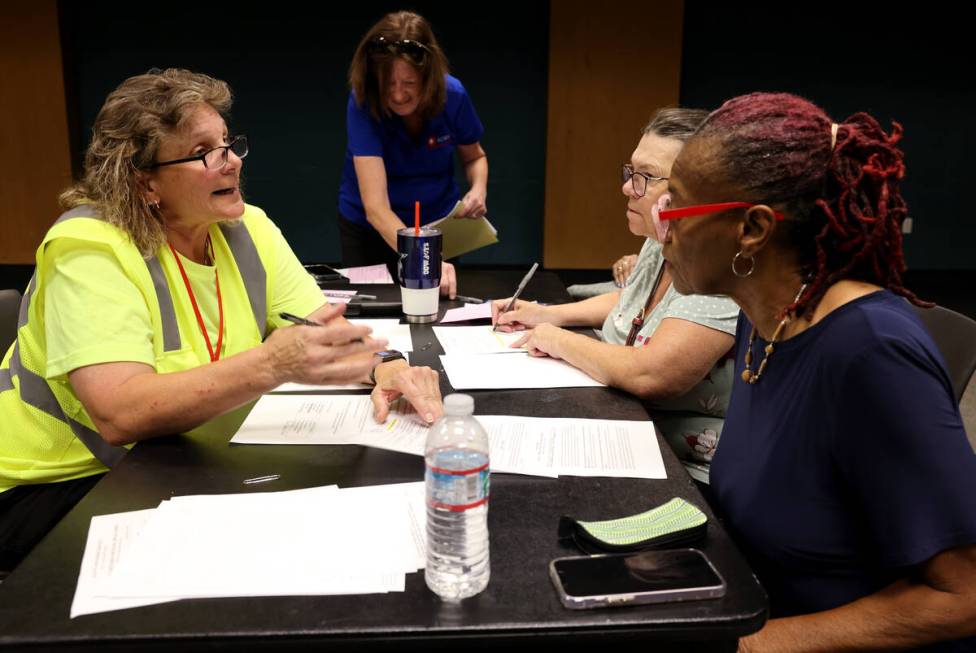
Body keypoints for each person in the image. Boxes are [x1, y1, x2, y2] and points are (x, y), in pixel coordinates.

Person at [0, 68, 443, 574]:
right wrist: (270, 365)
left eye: (229, 144)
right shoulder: (88, 248)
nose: (230, 161)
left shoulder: (245, 226)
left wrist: (384, 367)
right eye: (203, 151)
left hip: (171, 457)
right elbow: (119, 413)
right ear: (146, 182)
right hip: (54, 483)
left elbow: (327, 333)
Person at [659, 92, 976, 650]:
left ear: (751, 230)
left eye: (675, 208)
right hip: (752, 601)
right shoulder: (761, 316)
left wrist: (751, 644)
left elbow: (963, 595)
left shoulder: (870, 351)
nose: (662, 226)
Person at [492, 108, 739, 484]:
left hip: (684, 469)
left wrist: (557, 340)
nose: (628, 187)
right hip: (625, 427)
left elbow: (652, 372)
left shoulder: (717, 266)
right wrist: (551, 315)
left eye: (646, 177)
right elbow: (635, 304)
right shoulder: (660, 241)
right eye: (631, 172)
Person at [338, 10, 489, 298]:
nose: (397, 95)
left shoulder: (453, 95)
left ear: (428, 76)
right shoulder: (362, 102)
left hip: (436, 226)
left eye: (408, 84)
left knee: (438, 306)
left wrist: (478, 189)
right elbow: (376, 208)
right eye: (388, 84)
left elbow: (475, 157)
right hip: (370, 228)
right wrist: (422, 255)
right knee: (372, 315)